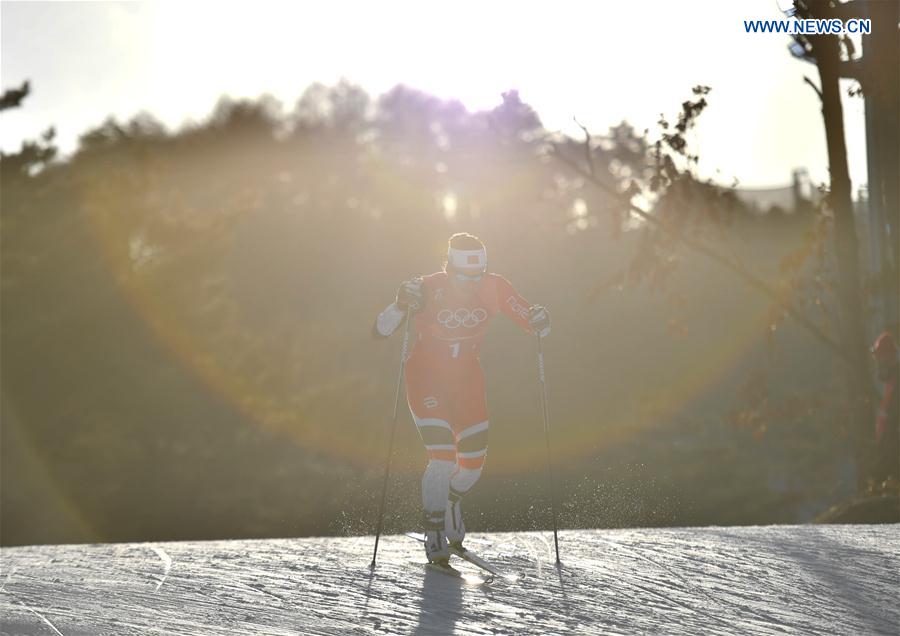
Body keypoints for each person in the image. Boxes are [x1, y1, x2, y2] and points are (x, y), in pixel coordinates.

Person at [372, 232, 551, 565]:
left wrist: (541, 320)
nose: (470, 283)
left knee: (471, 468)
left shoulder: (495, 287)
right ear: (448, 267)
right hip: (426, 379)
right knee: (442, 458)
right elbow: (381, 330)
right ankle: (434, 531)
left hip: (467, 381)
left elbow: (536, 322)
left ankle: (451, 501)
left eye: (477, 276)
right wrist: (399, 304)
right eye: (462, 276)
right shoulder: (425, 286)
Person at [870, 331, 899, 491]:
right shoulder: (891, 383)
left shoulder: (897, 383)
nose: (878, 363)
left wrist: (883, 468)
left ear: (888, 357)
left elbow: (893, 429)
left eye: (879, 358)